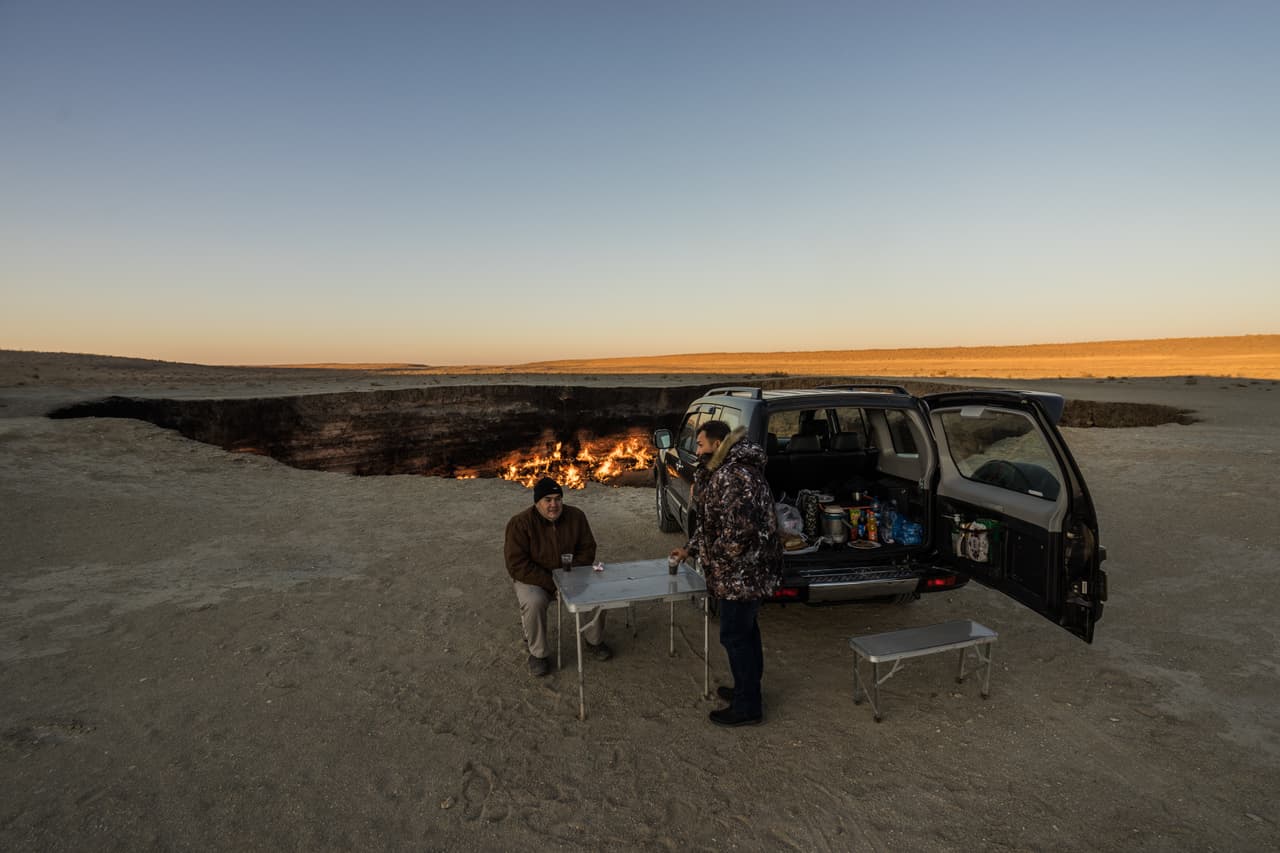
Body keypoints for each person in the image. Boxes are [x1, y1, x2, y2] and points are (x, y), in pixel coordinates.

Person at [670, 420, 782, 726]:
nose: (697, 451)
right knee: (746, 633)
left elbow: (738, 533)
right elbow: (712, 524)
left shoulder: (733, 475)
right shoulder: (727, 471)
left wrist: (712, 557)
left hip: (742, 574)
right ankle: (747, 690)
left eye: (701, 444)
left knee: (735, 636)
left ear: (718, 444)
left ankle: (748, 706)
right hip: (744, 571)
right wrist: (690, 549)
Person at [504, 476, 611, 677]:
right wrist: (552, 583)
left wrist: (570, 577)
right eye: (548, 500)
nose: (554, 504)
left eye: (558, 499)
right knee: (533, 602)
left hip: (571, 575)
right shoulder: (519, 523)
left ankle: (594, 640)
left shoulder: (576, 516)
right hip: (536, 579)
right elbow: (516, 564)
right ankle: (538, 654)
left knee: (598, 593)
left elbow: (588, 549)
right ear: (537, 502)